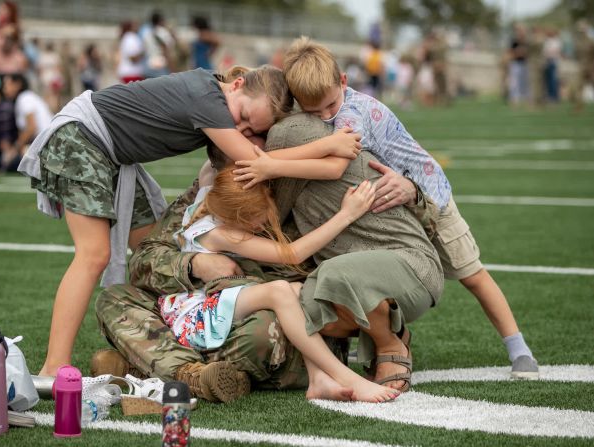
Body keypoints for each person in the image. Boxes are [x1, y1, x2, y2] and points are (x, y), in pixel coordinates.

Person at [17, 65, 361, 377]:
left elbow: (156, 253)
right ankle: (53, 366)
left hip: (113, 155)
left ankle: (156, 350)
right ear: (237, 84)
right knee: (94, 255)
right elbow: (255, 159)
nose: (237, 129)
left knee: (149, 253)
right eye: (241, 116)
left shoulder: (217, 106)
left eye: (250, 129)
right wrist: (329, 145)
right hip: (84, 137)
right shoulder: (208, 97)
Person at [244, 36, 539, 379]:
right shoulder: (324, 106)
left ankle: (519, 349)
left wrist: (271, 165)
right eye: (315, 112)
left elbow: (336, 166)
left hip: (430, 194)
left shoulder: (351, 113)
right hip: (394, 200)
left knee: (472, 274)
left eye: (330, 105)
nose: (325, 116)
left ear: (344, 82)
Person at [94, 112, 442, 400]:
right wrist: (192, 264)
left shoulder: (309, 177)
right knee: (114, 298)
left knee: (264, 331)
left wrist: (412, 192)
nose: (248, 149)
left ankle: (147, 364)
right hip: (208, 306)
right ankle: (190, 373)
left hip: (287, 314)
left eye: (255, 137)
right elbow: (145, 258)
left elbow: (399, 234)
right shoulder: (216, 194)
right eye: (237, 136)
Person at [159, 166, 399, 403]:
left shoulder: (211, 196)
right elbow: (292, 254)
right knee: (280, 290)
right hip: (195, 318)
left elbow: (208, 168)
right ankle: (345, 376)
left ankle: (318, 379)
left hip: (213, 302)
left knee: (297, 292)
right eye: (256, 223)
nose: (260, 227)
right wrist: (347, 214)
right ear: (237, 217)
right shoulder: (219, 234)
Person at [1, 73, 52, 170]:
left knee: (10, 164)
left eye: (7, 84)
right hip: (46, 144)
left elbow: (31, 128)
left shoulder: (25, 98)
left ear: (17, 84)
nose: (4, 89)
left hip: (47, 145)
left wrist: (13, 150)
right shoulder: (27, 97)